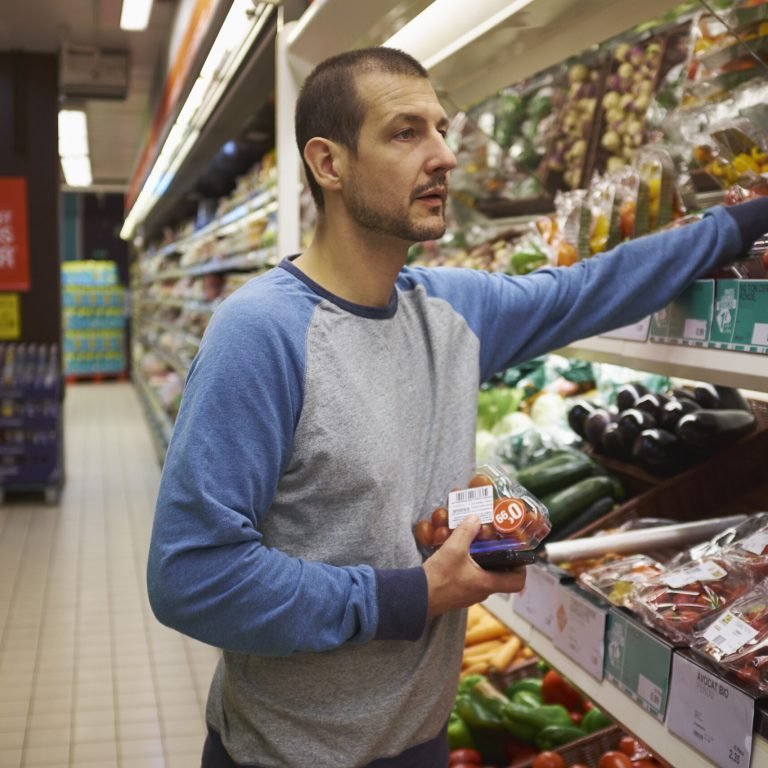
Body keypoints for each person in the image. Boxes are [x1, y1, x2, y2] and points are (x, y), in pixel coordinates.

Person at [146, 46, 768, 768]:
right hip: (289, 755)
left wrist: (746, 219)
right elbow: (191, 577)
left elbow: (588, 288)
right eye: (406, 132)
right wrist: (409, 595)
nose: (444, 155)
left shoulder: (449, 309)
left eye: (442, 129)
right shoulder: (261, 334)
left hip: (424, 744)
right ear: (328, 163)